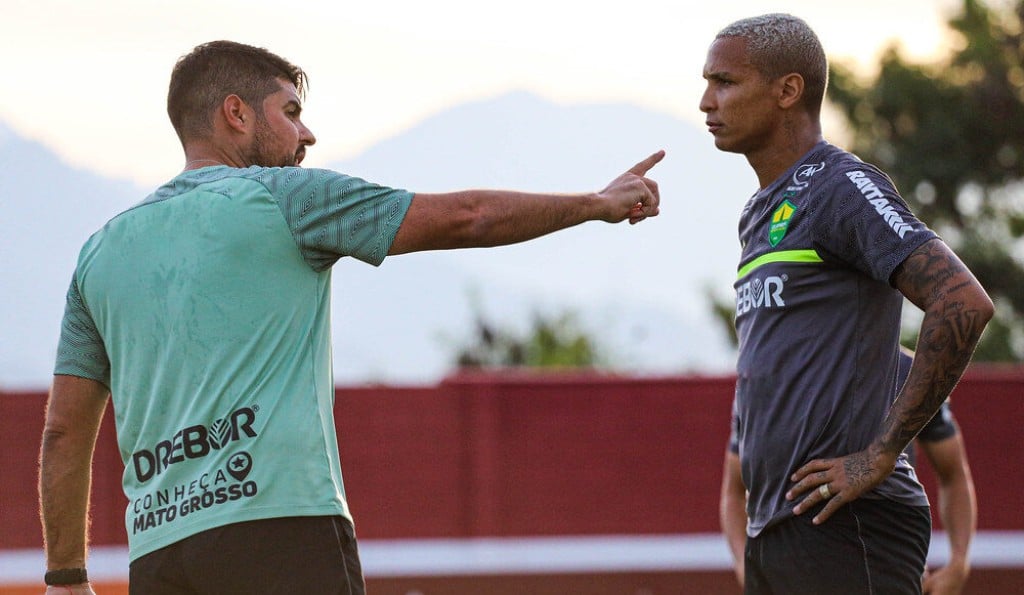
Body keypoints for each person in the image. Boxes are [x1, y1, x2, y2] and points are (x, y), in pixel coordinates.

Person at [38, 40, 664, 594]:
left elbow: (63, 432)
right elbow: (467, 214)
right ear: (237, 113)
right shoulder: (285, 197)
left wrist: (66, 576)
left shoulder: (99, 253)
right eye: (291, 113)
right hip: (281, 529)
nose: (307, 136)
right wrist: (593, 203)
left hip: (161, 554)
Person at [700, 13, 992, 594]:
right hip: (780, 527)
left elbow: (962, 300)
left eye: (725, 82)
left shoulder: (840, 186)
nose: (707, 101)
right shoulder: (759, 211)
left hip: (847, 523)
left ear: (788, 90)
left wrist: (881, 453)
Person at [720, 348, 978, 593]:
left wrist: (959, 562)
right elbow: (733, 490)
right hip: (792, 561)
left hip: (883, 556)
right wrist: (745, 567)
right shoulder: (766, 377)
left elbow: (953, 474)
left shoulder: (912, 370)